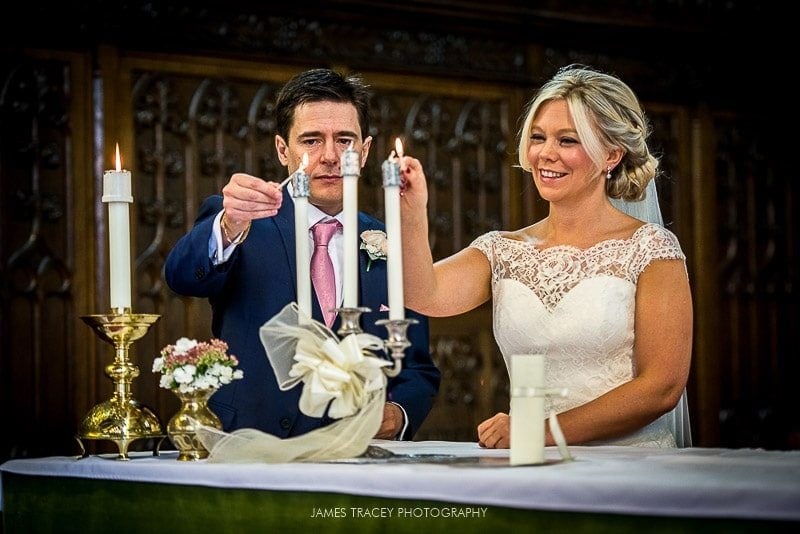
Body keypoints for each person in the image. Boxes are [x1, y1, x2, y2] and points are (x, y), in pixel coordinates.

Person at [398, 64, 693, 448]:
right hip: (531, 466)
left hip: (628, 468)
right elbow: (424, 295)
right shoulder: (503, 250)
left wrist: (538, 432)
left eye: (567, 140)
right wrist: (412, 214)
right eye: (538, 137)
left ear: (612, 155)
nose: (545, 154)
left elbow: (661, 387)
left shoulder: (651, 249)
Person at [165, 68, 440, 441]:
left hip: (358, 455)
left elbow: (417, 367)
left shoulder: (395, 241)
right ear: (283, 150)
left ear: (366, 151)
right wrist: (229, 224)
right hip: (249, 445)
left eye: (345, 140)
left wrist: (397, 415)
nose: (330, 156)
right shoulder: (242, 223)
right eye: (311, 140)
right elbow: (181, 276)